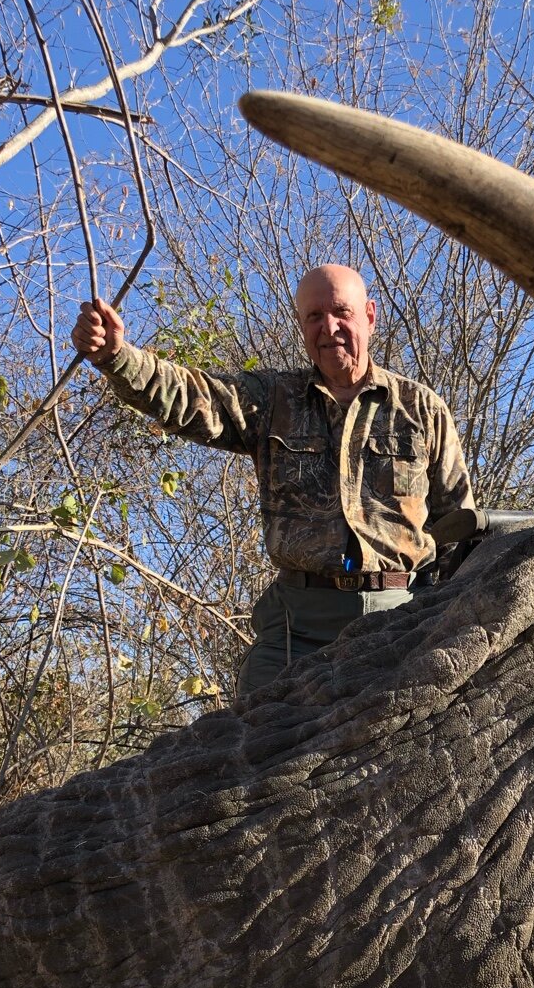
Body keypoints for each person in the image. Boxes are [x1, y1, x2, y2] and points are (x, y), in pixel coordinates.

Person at [71, 265, 480, 695]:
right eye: (315, 317)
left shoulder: (422, 409)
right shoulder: (272, 399)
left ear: (370, 316)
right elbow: (191, 397)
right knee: (247, 744)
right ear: (302, 326)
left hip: (402, 617)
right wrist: (117, 357)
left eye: (342, 312)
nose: (330, 327)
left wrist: (450, 616)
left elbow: (460, 526)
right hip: (295, 628)